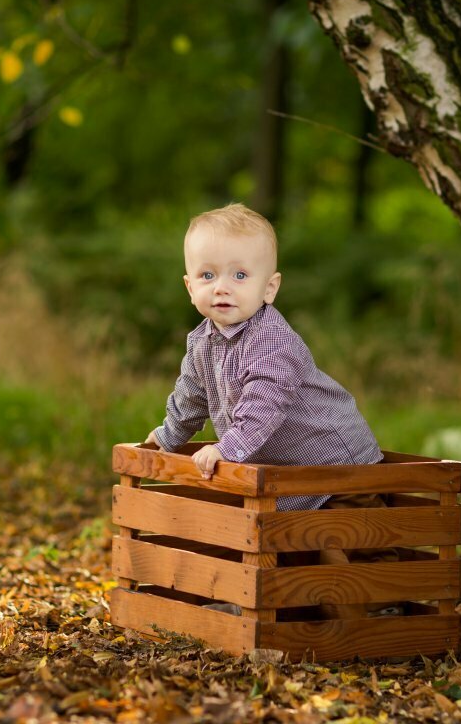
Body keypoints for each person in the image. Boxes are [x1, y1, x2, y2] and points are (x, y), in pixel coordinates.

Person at [144, 203, 397, 618]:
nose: (222, 287)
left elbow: (264, 407)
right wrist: (169, 436)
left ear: (269, 288)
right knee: (273, 539)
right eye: (208, 275)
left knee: (342, 544)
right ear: (190, 287)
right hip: (286, 471)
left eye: (240, 275)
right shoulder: (202, 342)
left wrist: (228, 448)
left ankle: (378, 611)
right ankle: (273, 609)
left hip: (338, 467)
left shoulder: (273, 343)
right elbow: (191, 398)